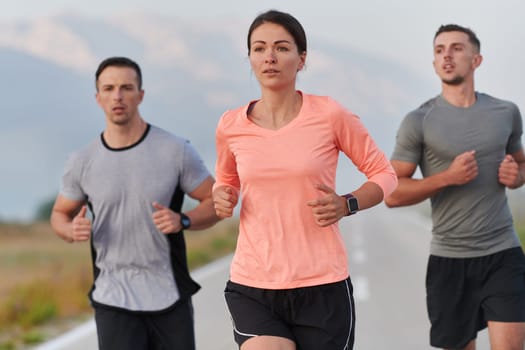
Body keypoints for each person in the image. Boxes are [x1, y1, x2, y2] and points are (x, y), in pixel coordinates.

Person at [212, 9, 398, 350]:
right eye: (259, 48)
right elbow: (227, 179)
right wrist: (223, 194)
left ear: (301, 59)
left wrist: (347, 204)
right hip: (253, 282)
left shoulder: (330, 115)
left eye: (282, 48)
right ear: (250, 57)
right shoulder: (230, 124)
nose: (270, 57)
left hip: (322, 285)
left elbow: (384, 175)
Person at [50, 56, 220, 350]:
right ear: (98, 97)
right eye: (109, 88)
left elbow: (216, 200)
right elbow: (59, 214)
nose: (118, 96)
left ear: (140, 95)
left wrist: (184, 220)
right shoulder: (82, 161)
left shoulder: (175, 150)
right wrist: (69, 230)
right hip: (112, 295)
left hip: (169, 293)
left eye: (127, 88)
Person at [385, 24, 525, 350]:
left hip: (502, 252)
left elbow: (520, 162)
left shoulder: (506, 112)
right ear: (434, 64)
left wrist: (516, 177)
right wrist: (447, 177)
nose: (447, 55)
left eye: (456, 48)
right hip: (450, 260)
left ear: (476, 60)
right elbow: (391, 194)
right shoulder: (418, 120)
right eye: (439, 50)